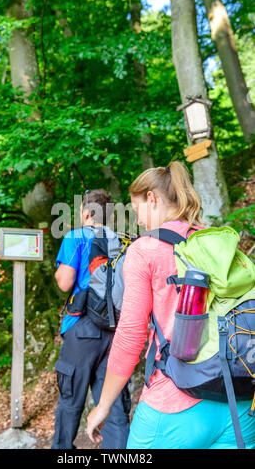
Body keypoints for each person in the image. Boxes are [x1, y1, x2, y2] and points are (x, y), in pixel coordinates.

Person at [86, 162, 255, 449]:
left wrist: (103, 405)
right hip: (239, 402)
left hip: (176, 403)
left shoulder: (145, 249)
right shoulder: (214, 241)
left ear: (152, 199)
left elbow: (130, 337)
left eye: (137, 208)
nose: (137, 219)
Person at [51, 188, 130, 450]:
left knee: (71, 399)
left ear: (85, 212)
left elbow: (65, 283)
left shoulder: (75, 237)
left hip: (83, 327)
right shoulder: (119, 241)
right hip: (115, 328)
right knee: (114, 401)